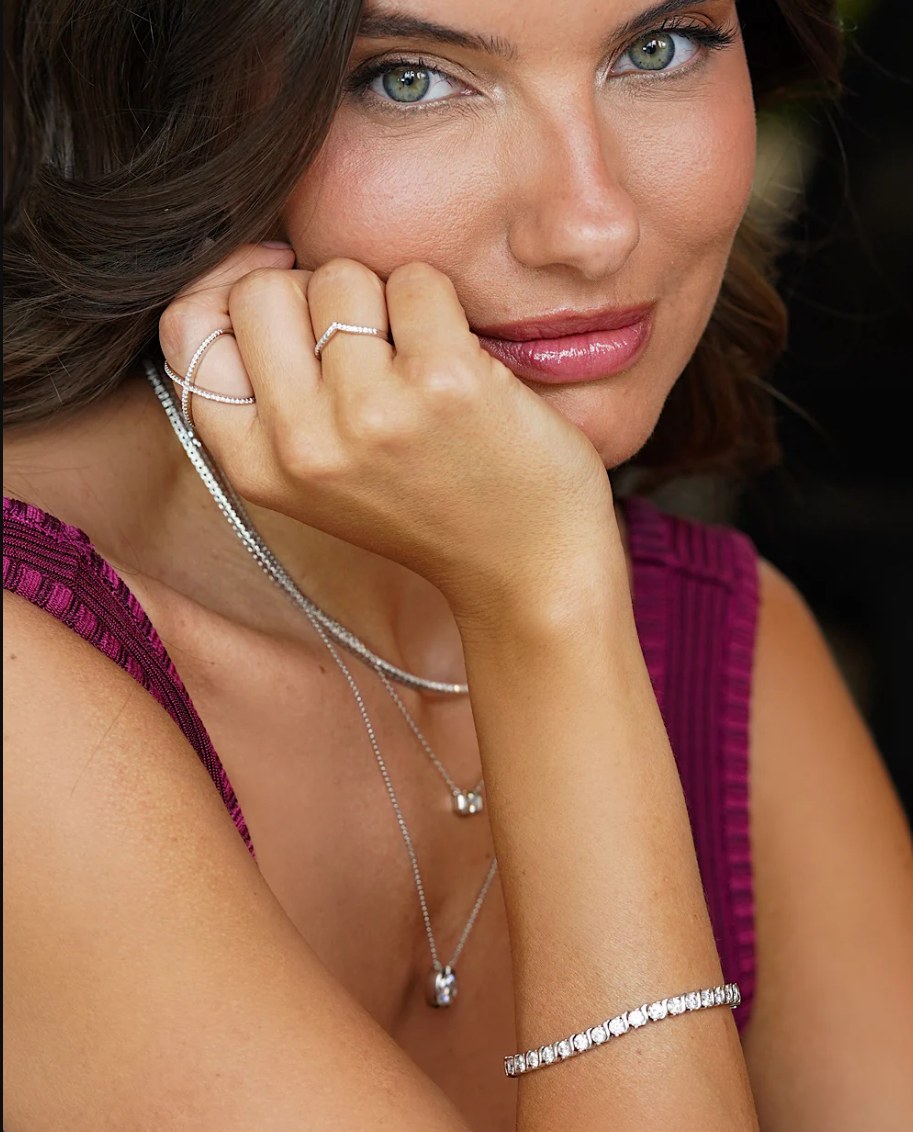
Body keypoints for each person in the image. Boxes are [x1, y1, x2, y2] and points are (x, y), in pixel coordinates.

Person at [3, 0, 912, 1128]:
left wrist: (552, 602)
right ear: (170, 108)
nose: (589, 226)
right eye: (409, 80)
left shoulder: (717, 645)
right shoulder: (25, 688)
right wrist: (546, 602)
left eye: (657, 49)